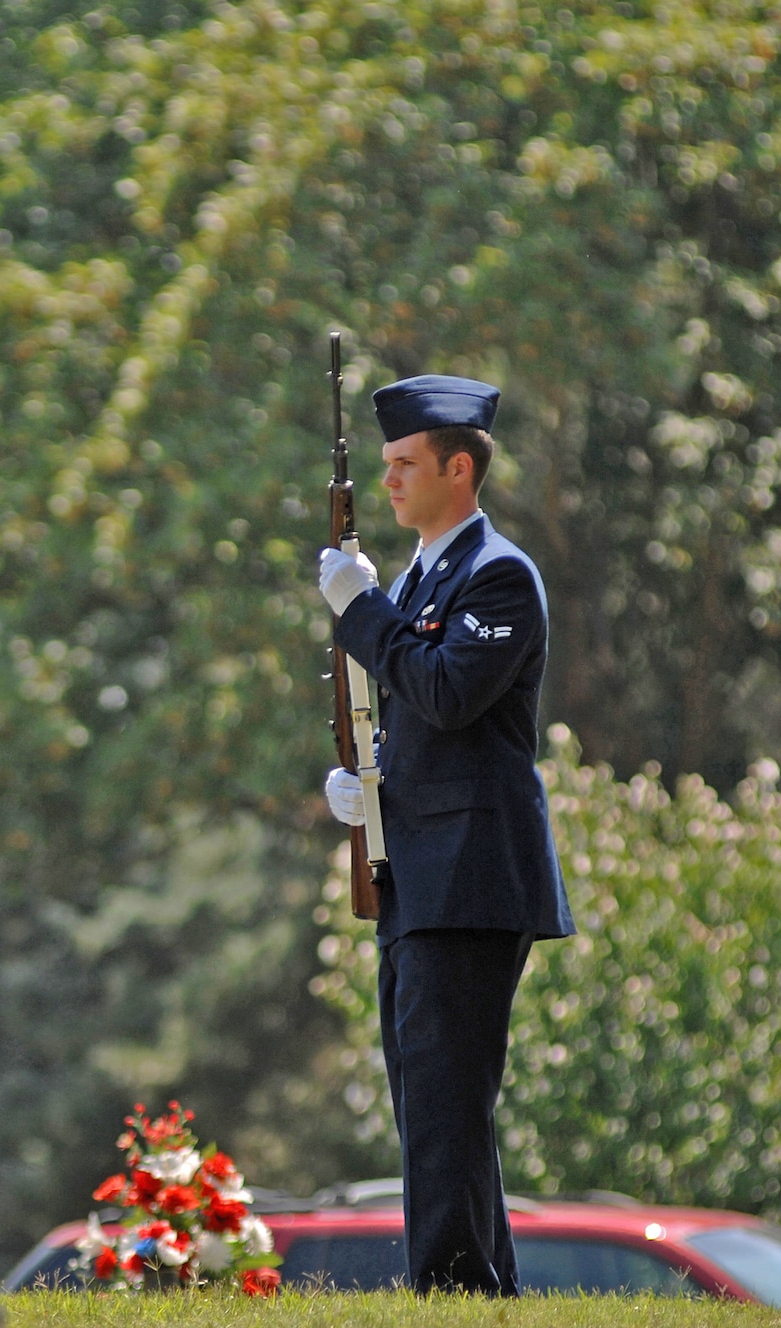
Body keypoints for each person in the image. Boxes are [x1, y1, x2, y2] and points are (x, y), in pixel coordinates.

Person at [316, 374, 575, 1295]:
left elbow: (447, 690)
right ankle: (480, 1289)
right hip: (421, 876)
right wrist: (365, 782)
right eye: (383, 465)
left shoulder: (497, 574)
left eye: (404, 464)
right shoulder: (426, 575)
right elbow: (420, 720)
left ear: (458, 469)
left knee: (444, 1104)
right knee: (432, 1103)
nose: (388, 481)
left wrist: (360, 610)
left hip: (472, 879)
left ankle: (451, 1289)